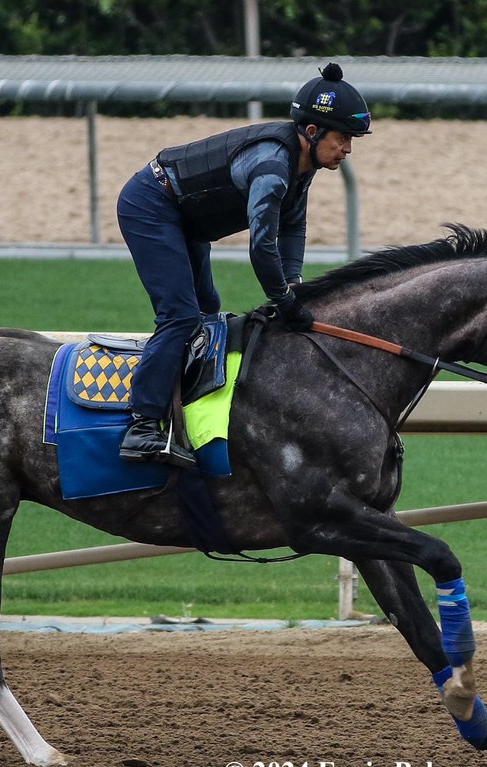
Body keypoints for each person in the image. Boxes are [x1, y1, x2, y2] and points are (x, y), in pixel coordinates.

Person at [116, 62, 372, 468]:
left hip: (187, 220)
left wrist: (296, 285)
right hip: (152, 204)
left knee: (208, 313)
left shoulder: (303, 166)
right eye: (343, 138)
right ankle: (142, 427)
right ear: (311, 132)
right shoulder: (271, 165)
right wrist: (285, 300)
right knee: (181, 318)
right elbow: (263, 242)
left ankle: (184, 415)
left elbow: (293, 227)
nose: (348, 149)